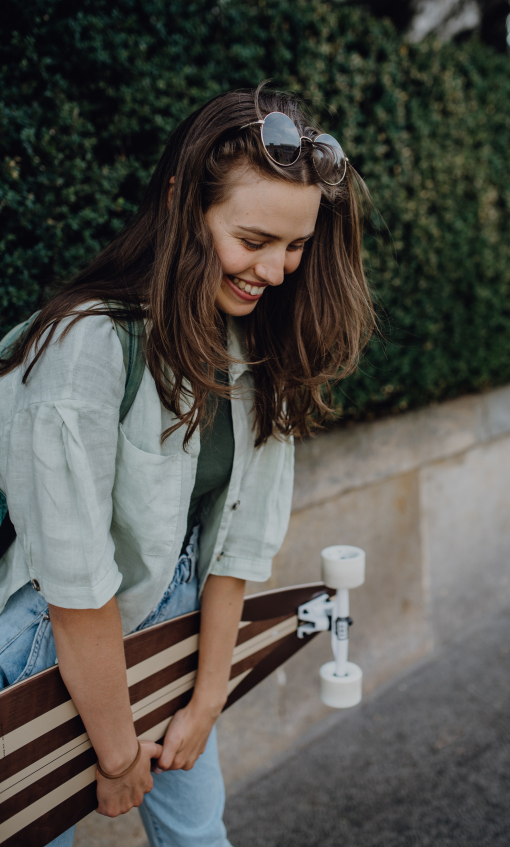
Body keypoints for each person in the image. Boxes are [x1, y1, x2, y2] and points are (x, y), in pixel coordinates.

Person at [0, 87, 373, 847]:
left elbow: (230, 550)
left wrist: (206, 703)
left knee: (202, 838)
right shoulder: (87, 347)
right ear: (181, 203)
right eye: (254, 239)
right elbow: (73, 589)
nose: (275, 269)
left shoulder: (256, 348)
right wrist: (114, 753)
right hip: (49, 647)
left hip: (169, 637)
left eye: (295, 246)